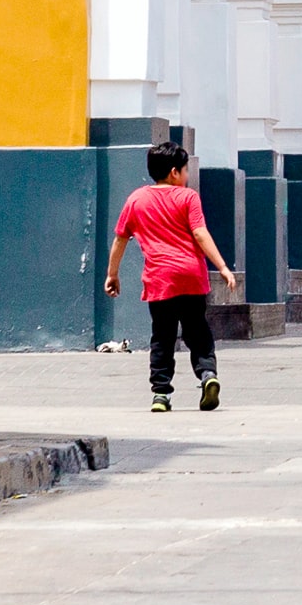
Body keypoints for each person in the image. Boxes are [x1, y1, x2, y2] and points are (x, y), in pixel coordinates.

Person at [103, 142, 236, 412]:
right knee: (197, 331)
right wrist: (222, 266)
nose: (187, 176)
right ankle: (208, 375)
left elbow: (120, 239)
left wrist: (112, 274)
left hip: (160, 279)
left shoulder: (136, 199)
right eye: (186, 170)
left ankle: (161, 394)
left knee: (162, 337)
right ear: (174, 172)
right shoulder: (188, 197)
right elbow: (200, 234)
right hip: (191, 276)